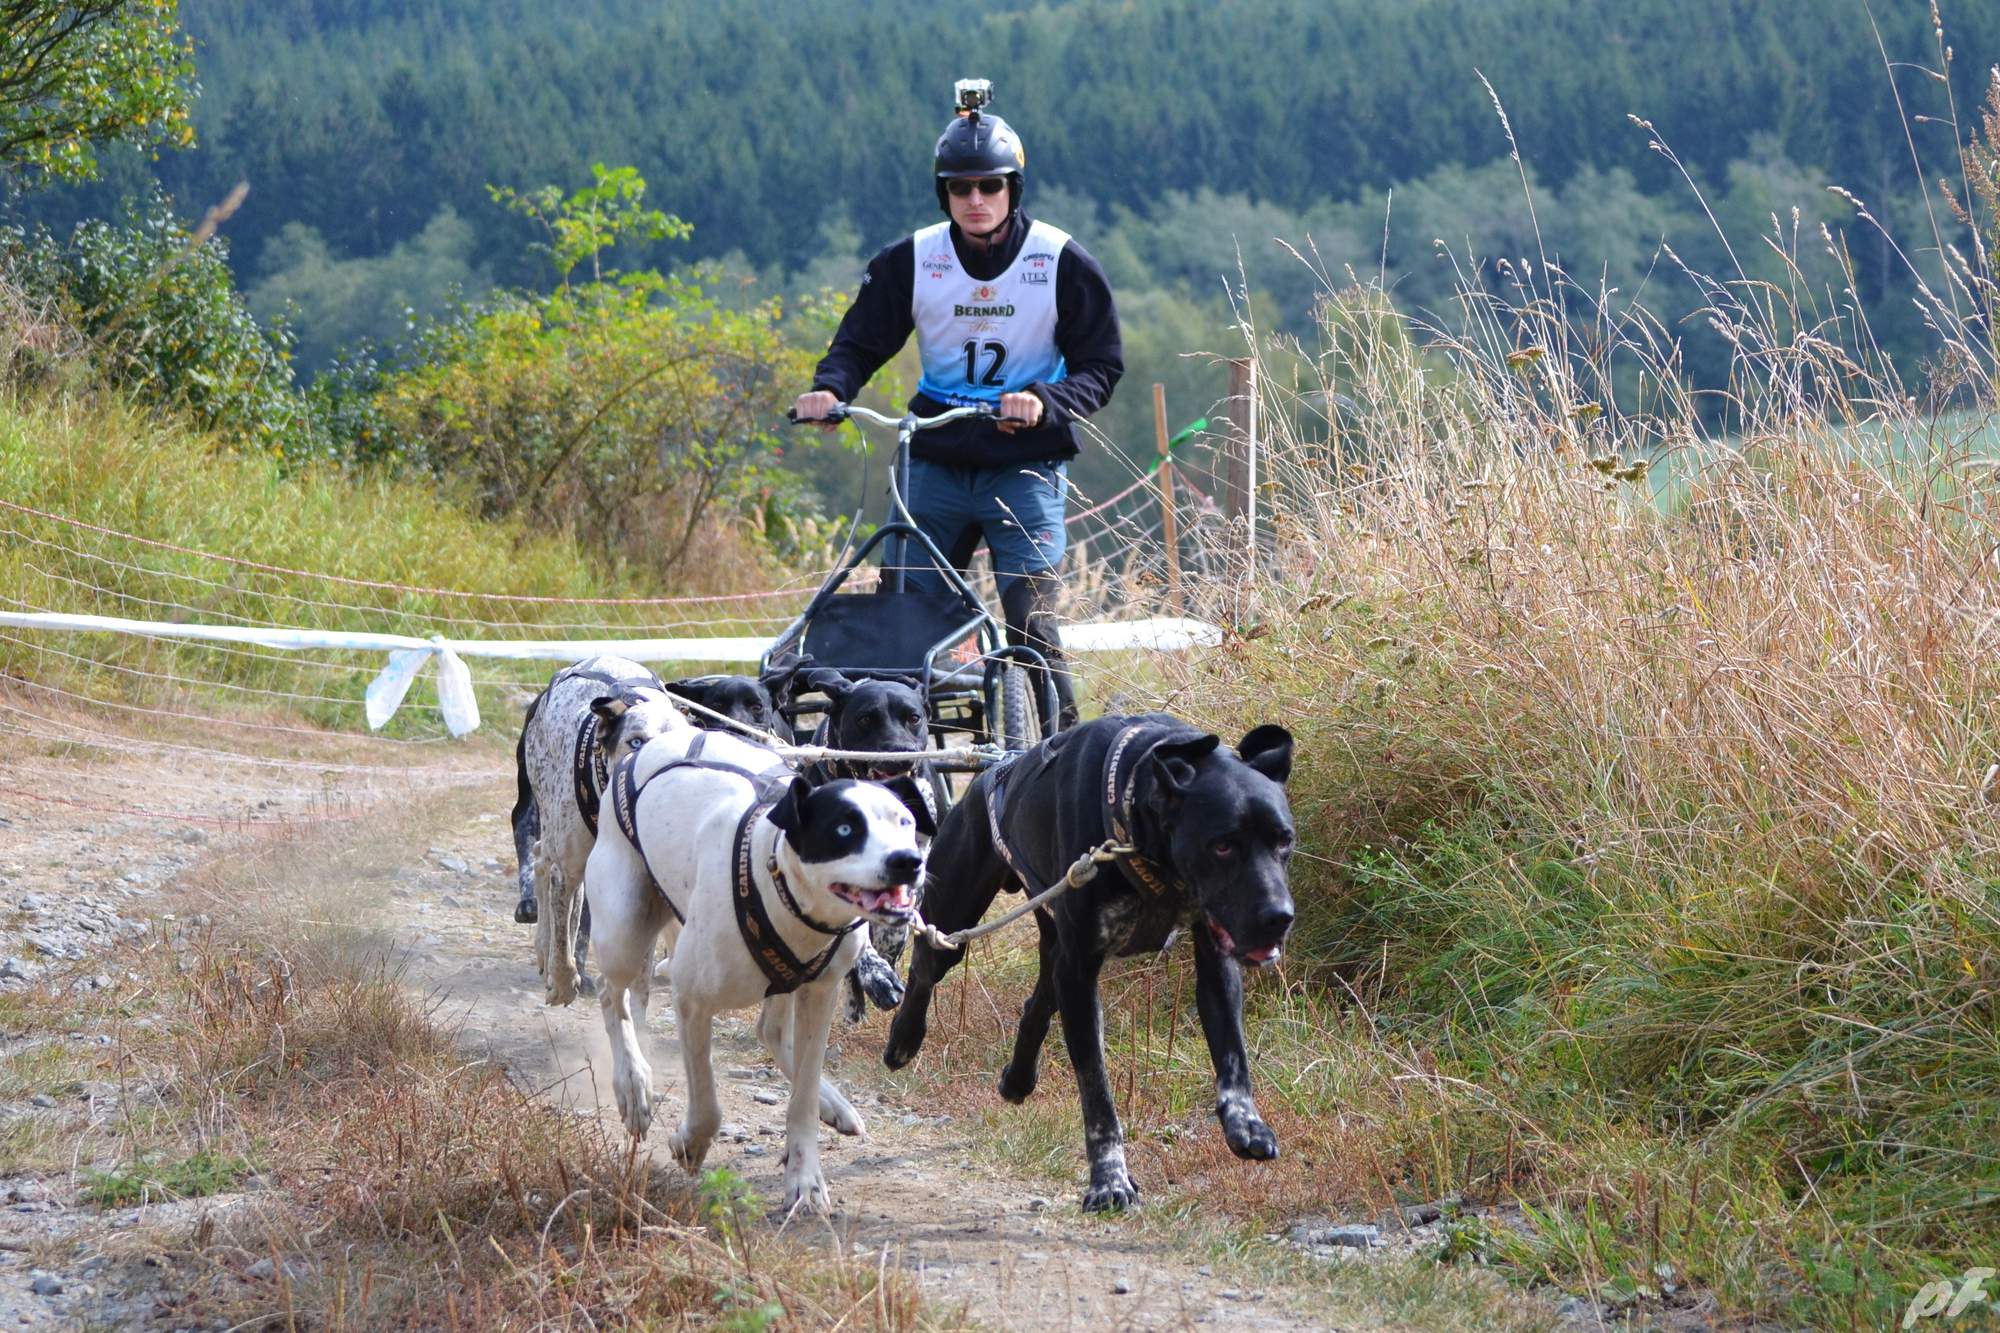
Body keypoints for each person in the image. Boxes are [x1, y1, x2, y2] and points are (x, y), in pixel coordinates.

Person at [793, 81, 1122, 731]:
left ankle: (1061, 750)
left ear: (1013, 189)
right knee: (904, 617)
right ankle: (899, 752)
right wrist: (831, 389)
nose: (975, 199)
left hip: (1024, 462)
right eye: (960, 187)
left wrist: (1045, 401)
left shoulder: (1060, 261)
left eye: (990, 186)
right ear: (943, 192)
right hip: (936, 458)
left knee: (1031, 621)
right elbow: (860, 342)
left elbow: (1101, 367)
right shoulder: (913, 261)